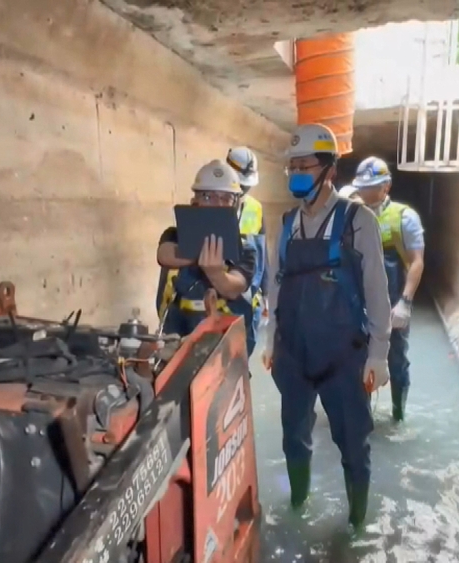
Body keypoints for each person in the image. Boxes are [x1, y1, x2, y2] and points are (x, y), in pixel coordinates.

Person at [259, 123, 392, 531]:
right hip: (294, 354)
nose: (297, 173)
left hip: (343, 357)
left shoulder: (357, 220)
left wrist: (379, 354)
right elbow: (276, 285)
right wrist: (271, 339)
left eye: (306, 165)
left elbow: (377, 292)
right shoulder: (287, 223)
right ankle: (298, 504)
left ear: (330, 170)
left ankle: (355, 525)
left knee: (353, 445)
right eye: (293, 166)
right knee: (293, 439)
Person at [155, 160, 263, 355]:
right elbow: (164, 254)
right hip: (177, 335)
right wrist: (198, 251)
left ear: (235, 205)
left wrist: (216, 274)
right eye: (208, 196)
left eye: (226, 198)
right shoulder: (175, 235)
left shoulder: (245, 248)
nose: (218, 204)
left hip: (224, 343)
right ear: (194, 202)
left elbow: (235, 287)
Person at [351, 156, 426, 422]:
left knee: (396, 359)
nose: (364, 192)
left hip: (393, 302)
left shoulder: (404, 217)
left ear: (386, 187)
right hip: (358, 302)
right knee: (356, 358)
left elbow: (416, 262)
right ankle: (361, 417)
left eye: (371, 187)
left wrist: (405, 302)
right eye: (361, 187)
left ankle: (398, 414)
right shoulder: (351, 214)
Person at [226, 146, 269, 329]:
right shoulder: (213, 203)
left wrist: (266, 293)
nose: (244, 189)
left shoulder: (256, 208)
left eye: (246, 185)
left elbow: (263, 254)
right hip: (221, 295)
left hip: (249, 298)